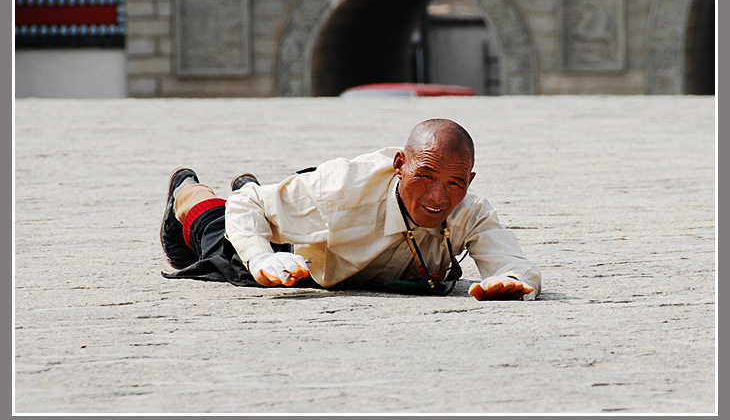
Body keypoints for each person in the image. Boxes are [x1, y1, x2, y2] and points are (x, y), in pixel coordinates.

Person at [160, 119, 541, 300]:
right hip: (297, 255)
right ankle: (188, 191)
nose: (439, 197)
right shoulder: (341, 189)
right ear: (399, 165)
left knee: (268, 205)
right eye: (425, 176)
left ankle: (268, 191)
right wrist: (260, 257)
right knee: (220, 238)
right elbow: (249, 207)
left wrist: (510, 283)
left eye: (454, 183)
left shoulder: (470, 211)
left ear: (469, 182)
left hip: (320, 228)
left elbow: (514, 263)